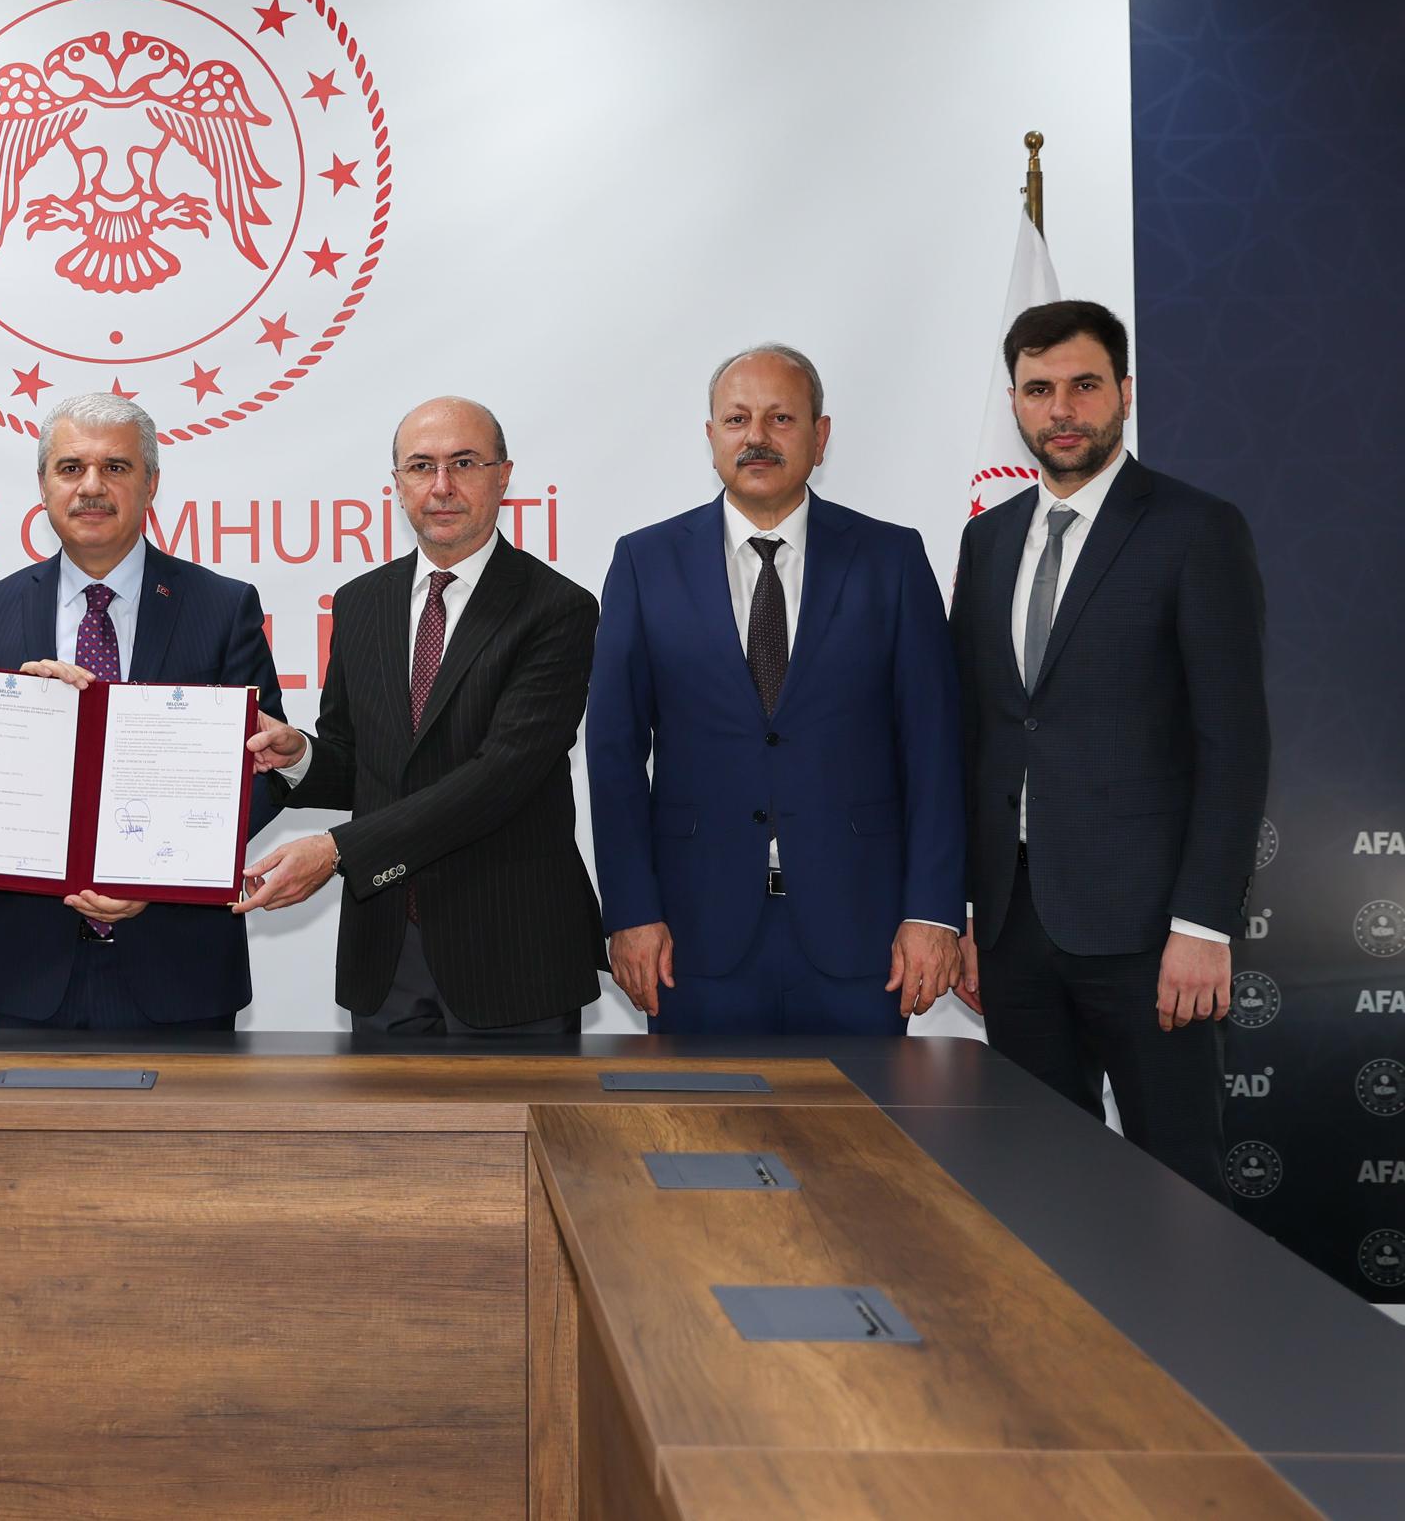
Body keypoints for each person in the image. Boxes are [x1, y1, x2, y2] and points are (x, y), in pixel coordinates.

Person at [949, 300, 1267, 1197]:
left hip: (1151, 937)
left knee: (1178, 1190)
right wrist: (966, 907)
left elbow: (1234, 743)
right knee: (1040, 1188)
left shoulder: (1196, 529)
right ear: (1015, 402)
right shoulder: (987, 539)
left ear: (1124, 392)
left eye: (1084, 385)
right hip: (1011, 928)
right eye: (1038, 390)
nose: (1061, 410)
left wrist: (1202, 926)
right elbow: (980, 733)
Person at [584, 347, 963, 1035]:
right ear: (711, 438)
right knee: (698, 1112)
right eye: (737, 419)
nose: (756, 436)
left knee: (865, 1112)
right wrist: (631, 912)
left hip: (864, 934)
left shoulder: (892, 559)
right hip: (691, 938)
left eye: (780, 418)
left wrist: (933, 912)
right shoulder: (645, 562)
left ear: (821, 436)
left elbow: (934, 748)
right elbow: (613, 754)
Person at [238, 397, 602, 1035]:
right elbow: (364, 764)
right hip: (386, 951)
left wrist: (337, 851)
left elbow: (500, 778)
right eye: (420, 466)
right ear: (397, 484)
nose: (441, 486)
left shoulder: (557, 609)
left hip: (513, 952)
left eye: (464, 463)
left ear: (503, 476)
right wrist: (301, 756)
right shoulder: (360, 602)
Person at [0, 394, 285, 1031]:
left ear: (151, 483)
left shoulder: (221, 606)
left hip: (181, 967)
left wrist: (158, 873)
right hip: (26, 970)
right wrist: (12, 711)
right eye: (71, 468)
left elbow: (264, 771)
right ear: (43, 485)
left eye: (116, 468)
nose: (92, 487)